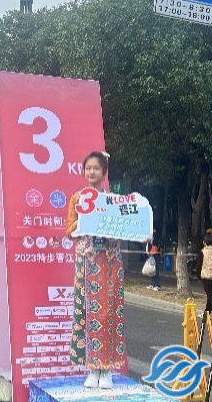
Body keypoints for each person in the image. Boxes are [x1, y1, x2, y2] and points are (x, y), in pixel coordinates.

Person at [65, 151, 125, 390]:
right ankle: (92, 368)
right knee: (87, 313)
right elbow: (69, 231)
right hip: (86, 263)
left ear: (104, 172)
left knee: (108, 314)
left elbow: (125, 227)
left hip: (109, 263)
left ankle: (107, 369)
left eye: (96, 168)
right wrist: (85, 221)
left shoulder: (114, 201)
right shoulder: (77, 199)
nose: (91, 172)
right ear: (83, 171)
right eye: (88, 168)